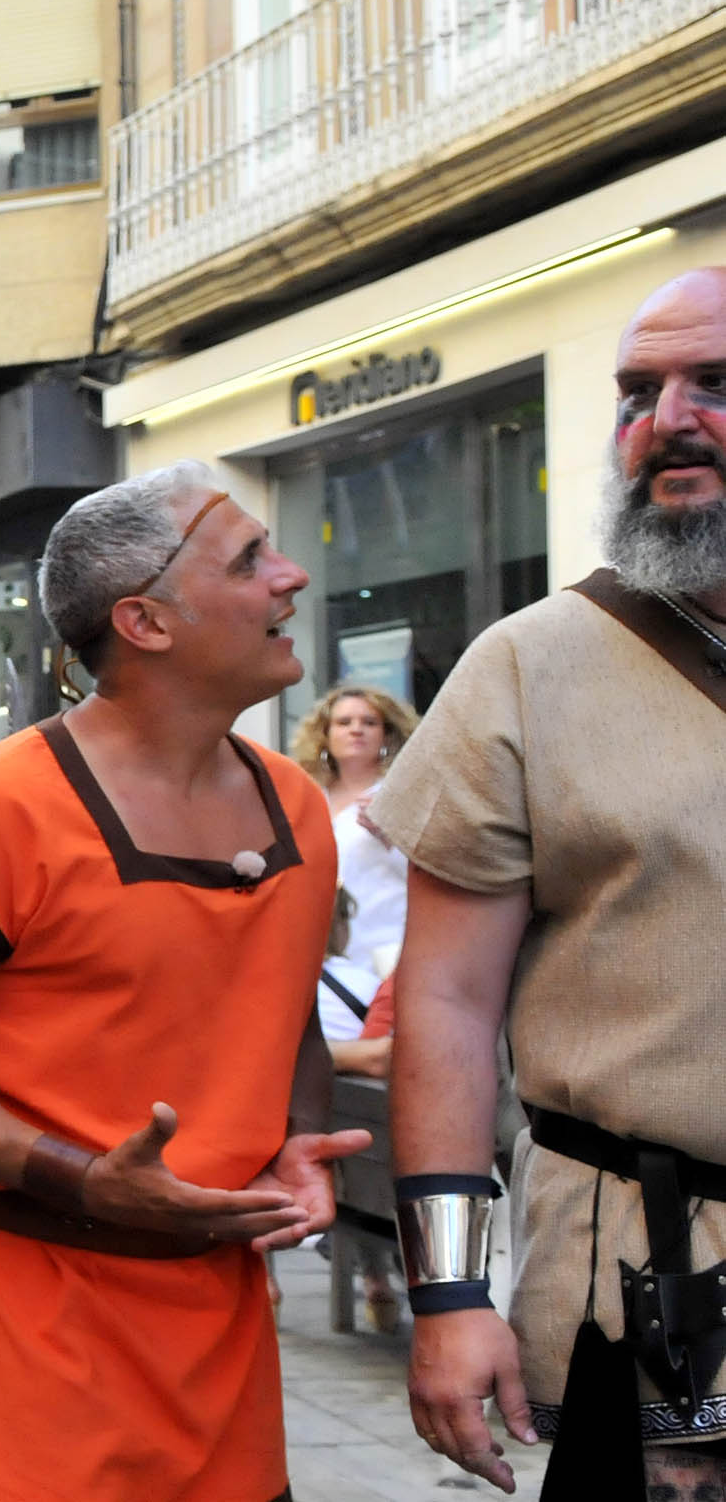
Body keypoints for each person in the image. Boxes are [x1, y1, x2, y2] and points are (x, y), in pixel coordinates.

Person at [0, 462, 369, 1502]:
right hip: (18, 1338)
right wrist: (81, 1178)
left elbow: (277, 1007)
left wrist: (293, 1134)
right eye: (250, 559)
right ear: (145, 620)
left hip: (215, 1351)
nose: (290, 576)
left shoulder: (297, 806)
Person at [378, 268, 726, 1497]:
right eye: (637, 391)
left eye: (712, 385)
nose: (666, 418)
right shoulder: (526, 666)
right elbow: (443, 1008)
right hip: (648, 1289)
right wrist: (447, 1291)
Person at [286, 683, 418, 1042]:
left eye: (369, 722)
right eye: (344, 722)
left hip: (385, 950)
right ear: (325, 736)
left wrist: (394, 835)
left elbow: (439, 867)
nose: (356, 729)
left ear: (387, 734)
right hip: (320, 958)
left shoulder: (405, 791)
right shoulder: (305, 794)